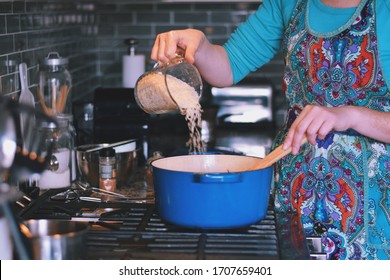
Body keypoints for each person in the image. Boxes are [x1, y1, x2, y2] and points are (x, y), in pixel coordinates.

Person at [150, 0, 390, 260]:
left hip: (371, 205)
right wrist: (200, 46)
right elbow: (229, 66)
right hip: (295, 193)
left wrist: (351, 115)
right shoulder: (288, 3)